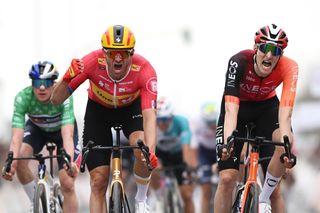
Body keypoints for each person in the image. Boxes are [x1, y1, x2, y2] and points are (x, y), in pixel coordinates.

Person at [50, 25, 159, 213]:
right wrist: (67, 79)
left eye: (123, 54)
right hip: (98, 112)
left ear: (131, 53)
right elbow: (56, 100)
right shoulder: (91, 62)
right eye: (112, 53)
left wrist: (151, 151)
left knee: (141, 147)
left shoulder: (144, 70)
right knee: (98, 181)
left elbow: (150, 116)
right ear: (104, 53)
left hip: (130, 110)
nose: (118, 58)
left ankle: (141, 199)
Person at [213, 23, 298, 213]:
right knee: (227, 179)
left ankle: (263, 199)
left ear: (281, 54)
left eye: (275, 50)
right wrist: (228, 141)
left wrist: (286, 148)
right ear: (255, 48)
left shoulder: (290, 67)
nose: (269, 55)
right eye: (264, 48)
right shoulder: (238, 61)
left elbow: (285, 114)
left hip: (266, 109)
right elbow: (231, 109)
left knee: (277, 188)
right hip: (238, 109)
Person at [1, 61, 80, 213]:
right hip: (37, 129)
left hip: (61, 132)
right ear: (32, 83)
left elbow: (68, 136)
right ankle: (34, 201)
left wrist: (68, 161)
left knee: (67, 182)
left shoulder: (64, 96)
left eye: (47, 82)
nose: (42, 88)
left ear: (55, 83)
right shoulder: (22, 98)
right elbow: (16, 138)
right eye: (37, 82)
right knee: (20, 159)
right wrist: (11, 162)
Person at [149, 96, 195, 213]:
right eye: (158, 120)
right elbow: (150, 148)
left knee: (187, 195)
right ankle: (158, 196)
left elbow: (186, 146)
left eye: (165, 120)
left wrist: (188, 166)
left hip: (178, 155)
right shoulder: (151, 124)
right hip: (160, 154)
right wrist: (155, 162)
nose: (162, 124)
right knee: (150, 166)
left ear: (171, 117)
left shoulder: (181, 122)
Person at [191, 102, 219, 213]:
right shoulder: (197, 122)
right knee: (205, 189)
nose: (212, 125)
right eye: (209, 122)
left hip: (219, 150)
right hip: (204, 152)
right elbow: (193, 145)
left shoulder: (222, 119)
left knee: (225, 183)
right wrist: (195, 166)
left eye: (214, 122)